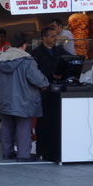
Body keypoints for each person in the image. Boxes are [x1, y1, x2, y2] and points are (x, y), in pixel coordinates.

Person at [0, 32, 49, 161]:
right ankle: (23, 155)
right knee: (23, 127)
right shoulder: (27, 60)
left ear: (11, 45)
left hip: (4, 99)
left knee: (7, 127)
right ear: (24, 45)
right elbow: (38, 79)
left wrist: (1, 94)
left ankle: (7, 153)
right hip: (24, 100)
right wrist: (45, 83)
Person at [30, 26, 70, 160]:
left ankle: (57, 146)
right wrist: (49, 76)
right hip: (43, 91)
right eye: (52, 36)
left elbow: (70, 60)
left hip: (59, 91)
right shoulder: (36, 53)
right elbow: (33, 74)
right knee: (43, 121)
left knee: (57, 119)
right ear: (44, 38)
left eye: (55, 36)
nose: (54, 39)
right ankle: (43, 149)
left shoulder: (60, 51)